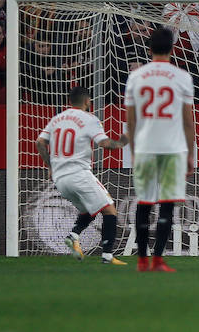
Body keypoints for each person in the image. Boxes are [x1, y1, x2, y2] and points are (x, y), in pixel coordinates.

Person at [124, 27, 196, 273]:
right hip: (173, 149)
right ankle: (158, 259)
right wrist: (191, 153)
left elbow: (131, 120)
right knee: (167, 204)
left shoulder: (136, 77)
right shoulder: (182, 77)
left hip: (145, 148)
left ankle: (142, 260)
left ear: (148, 48)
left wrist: (134, 150)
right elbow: (188, 121)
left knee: (144, 203)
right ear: (173, 49)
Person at [35, 86, 130, 265]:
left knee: (90, 209)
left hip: (60, 179)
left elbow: (40, 142)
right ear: (87, 101)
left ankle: (74, 234)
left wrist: (50, 165)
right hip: (79, 174)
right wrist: (124, 140)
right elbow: (107, 144)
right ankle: (108, 256)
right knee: (109, 209)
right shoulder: (89, 119)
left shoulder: (57, 119)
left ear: (70, 102)